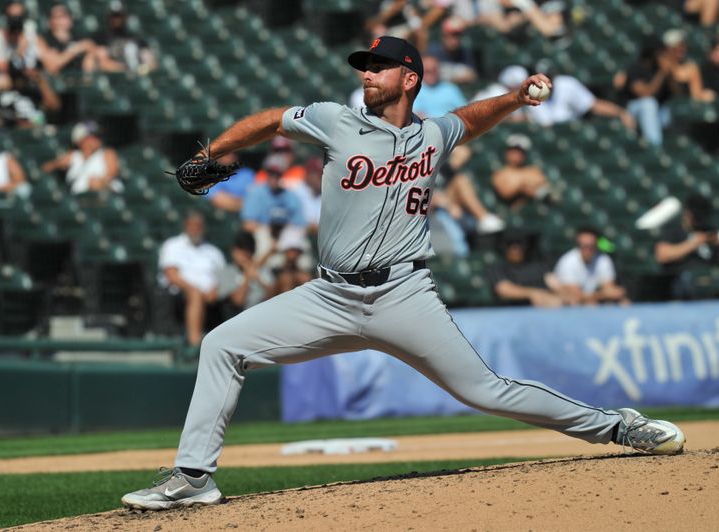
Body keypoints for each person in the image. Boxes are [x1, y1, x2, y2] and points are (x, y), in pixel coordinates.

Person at [121, 35, 685, 511]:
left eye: (378, 66)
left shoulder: (433, 134)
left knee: (486, 391)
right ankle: (194, 478)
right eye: (364, 67)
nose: (367, 74)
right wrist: (215, 150)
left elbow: (468, 118)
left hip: (403, 293)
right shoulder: (335, 121)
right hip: (330, 295)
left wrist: (514, 98)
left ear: (409, 78)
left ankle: (616, 426)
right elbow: (271, 119)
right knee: (222, 344)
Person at [158, 211, 226, 346]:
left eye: (199, 225)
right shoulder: (173, 245)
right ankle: (195, 343)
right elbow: (171, 275)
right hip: (179, 293)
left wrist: (214, 290)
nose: (196, 228)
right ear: (185, 225)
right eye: (192, 225)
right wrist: (194, 289)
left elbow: (223, 277)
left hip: (210, 295)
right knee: (195, 295)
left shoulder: (213, 251)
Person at [528, 59, 635, 129]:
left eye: (547, 76)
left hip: (570, 131)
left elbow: (593, 105)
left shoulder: (566, 84)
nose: (543, 80)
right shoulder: (527, 92)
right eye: (539, 77)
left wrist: (620, 112)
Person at [654, 193, 719, 300]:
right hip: (681, 278)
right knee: (687, 279)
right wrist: (693, 244)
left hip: (709, 275)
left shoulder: (708, 231)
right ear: (687, 213)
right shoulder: (674, 230)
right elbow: (662, 255)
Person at [241, 153, 308, 257]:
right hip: (263, 235)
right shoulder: (255, 192)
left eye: (278, 173)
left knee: (299, 243)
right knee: (263, 239)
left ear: (282, 174)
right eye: (271, 173)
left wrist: (283, 236)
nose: (274, 177)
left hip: (285, 235)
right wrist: (269, 231)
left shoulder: (291, 196)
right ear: (267, 173)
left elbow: (300, 225)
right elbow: (248, 225)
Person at [41, 120, 123, 194]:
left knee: (95, 184)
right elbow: (46, 168)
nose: (97, 139)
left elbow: (112, 174)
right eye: (93, 136)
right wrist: (57, 163)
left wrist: (101, 183)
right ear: (80, 140)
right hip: (79, 199)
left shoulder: (107, 153)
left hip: (103, 195)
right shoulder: (74, 156)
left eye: (98, 136)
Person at [553, 227, 629, 305]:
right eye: (585, 246)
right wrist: (602, 294)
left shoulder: (603, 259)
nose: (588, 250)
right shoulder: (567, 261)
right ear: (579, 246)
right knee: (574, 302)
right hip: (570, 305)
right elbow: (575, 296)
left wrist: (610, 293)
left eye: (591, 246)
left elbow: (609, 288)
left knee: (623, 302)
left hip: (594, 301)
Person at [492, 231, 562, 307]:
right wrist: (532, 293)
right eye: (510, 245)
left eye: (520, 245)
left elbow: (555, 285)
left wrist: (558, 297)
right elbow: (503, 289)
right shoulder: (499, 266)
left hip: (542, 310)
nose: (515, 249)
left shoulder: (538, 264)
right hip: (511, 310)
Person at [217, 232, 273, 316]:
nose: (244, 253)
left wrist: (258, 279)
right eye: (240, 249)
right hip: (238, 320)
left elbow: (275, 298)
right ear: (233, 250)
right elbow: (238, 301)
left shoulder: (263, 270)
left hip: (264, 316)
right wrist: (247, 277)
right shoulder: (226, 272)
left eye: (248, 249)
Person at [93, 1, 157, 74]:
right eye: (114, 15)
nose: (117, 19)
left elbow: (151, 63)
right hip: (114, 78)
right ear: (109, 17)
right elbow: (103, 64)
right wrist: (127, 68)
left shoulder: (135, 37)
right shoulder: (102, 37)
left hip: (136, 75)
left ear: (125, 16)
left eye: (119, 15)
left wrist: (142, 69)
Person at [492, 133, 552, 210]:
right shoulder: (500, 174)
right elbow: (505, 192)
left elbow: (544, 185)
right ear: (507, 152)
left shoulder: (533, 170)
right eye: (514, 151)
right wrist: (524, 184)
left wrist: (519, 184)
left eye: (520, 152)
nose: (516, 155)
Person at [37, 3, 97, 75]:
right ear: (50, 21)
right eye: (57, 17)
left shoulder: (79, 37)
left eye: (64, 16)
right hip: (58, 82)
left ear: (70, 19)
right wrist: (75, 49)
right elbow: (52, 66)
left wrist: (90, 57)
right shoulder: (43, 39)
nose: (61, 21)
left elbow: (91, 48)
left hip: (81, 79)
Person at [426, 17, 478, 84]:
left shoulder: (465, 52)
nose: (455, 39)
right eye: (452, 35)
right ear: (443, 36)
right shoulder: (432, 51)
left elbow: (473, 75)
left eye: (458, 35)